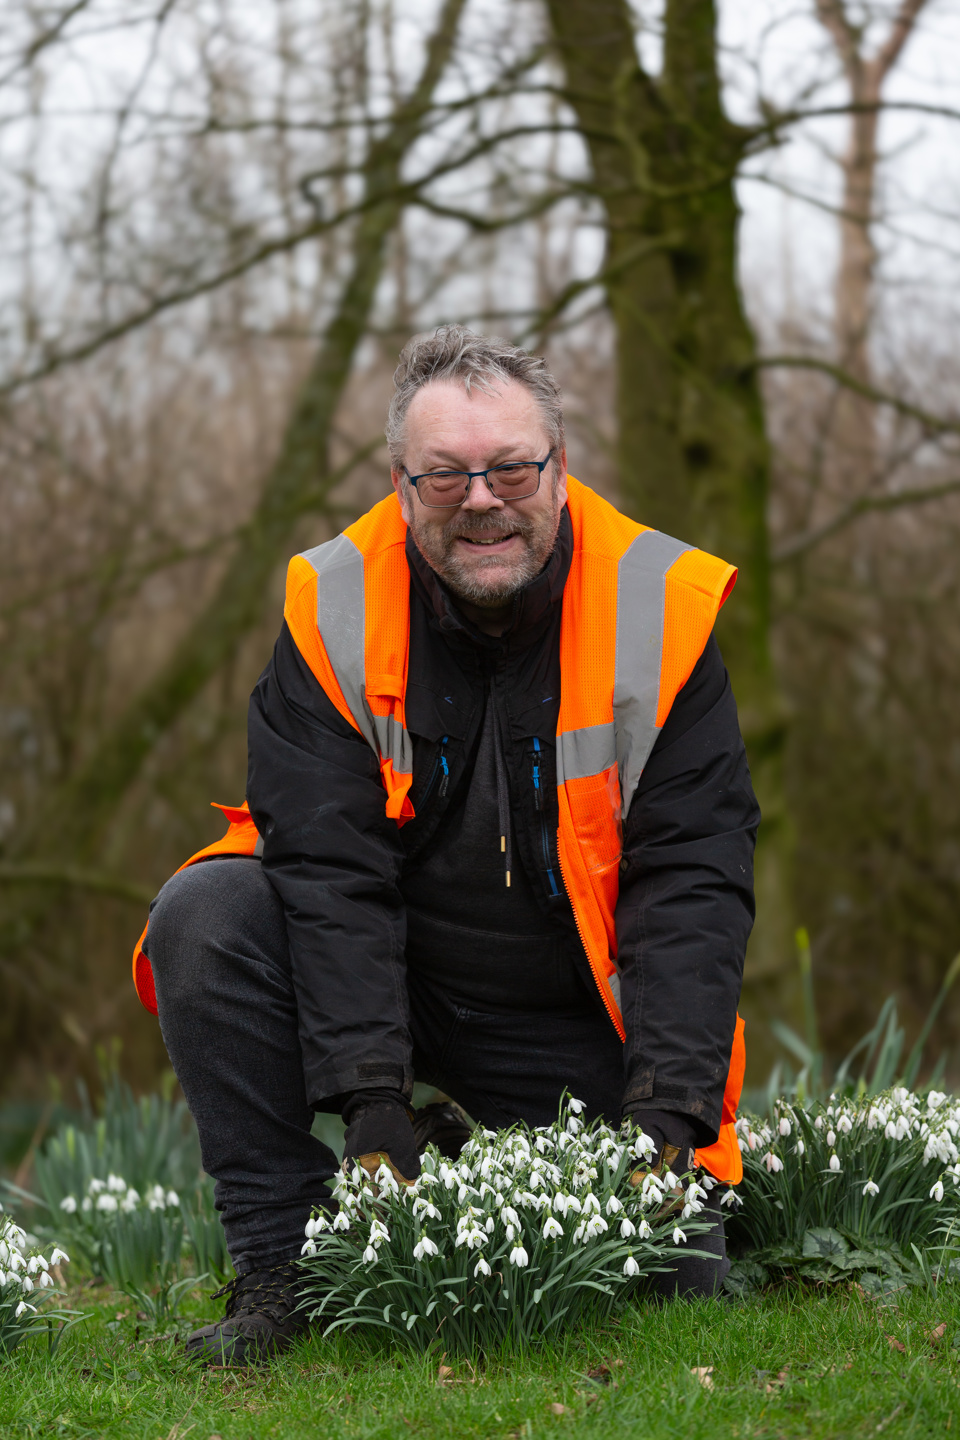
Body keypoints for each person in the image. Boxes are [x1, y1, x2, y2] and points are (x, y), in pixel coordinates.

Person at [134, 327, 759, 1364]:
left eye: (512, 467)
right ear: (400, 481)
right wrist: (370, 1099)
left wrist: (671, 1108)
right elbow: (328, 875)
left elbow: (694, 879)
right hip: (405, 998)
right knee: (206, 916)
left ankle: (499, 1152)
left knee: (677, 1289)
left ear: (560, 469)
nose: (481, 498)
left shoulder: (665, 610)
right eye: (445, 476)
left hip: (580, 1024)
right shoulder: (330, 608)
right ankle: (284, 1267)